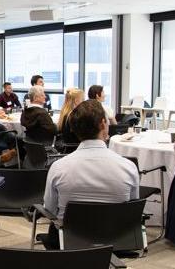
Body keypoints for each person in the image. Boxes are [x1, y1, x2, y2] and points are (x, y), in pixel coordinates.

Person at [41, 100, 140, 249]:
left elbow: (50, 209)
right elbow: (132, 210)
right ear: (102, 124)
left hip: (68, 241)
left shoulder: (58, 168)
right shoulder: (128, 167)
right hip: (116, 241)